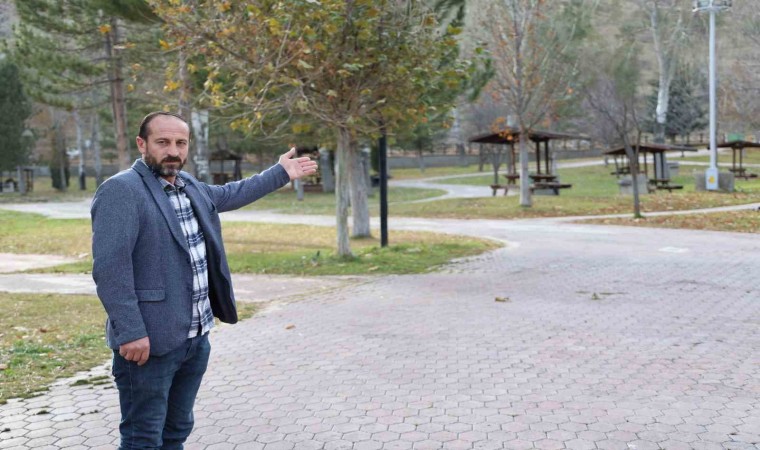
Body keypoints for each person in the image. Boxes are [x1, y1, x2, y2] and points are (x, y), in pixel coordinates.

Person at [91, 111, 317, 450]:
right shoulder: (121, 190)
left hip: (195, 338)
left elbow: (233, 193)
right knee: (143, 437)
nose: (173, 151)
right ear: (142, 144)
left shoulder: (189, 185)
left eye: (180, 143)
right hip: (149, 342)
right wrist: (131, 331)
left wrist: (281, 172)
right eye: (163, 142)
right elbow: (111, 269)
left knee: (176, 430)